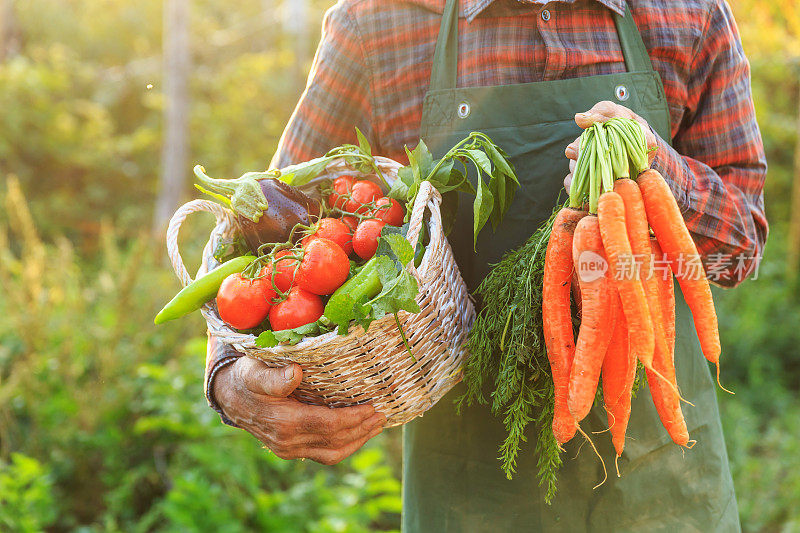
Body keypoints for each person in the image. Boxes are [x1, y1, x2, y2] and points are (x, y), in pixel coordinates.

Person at [206, 0, 767, 530]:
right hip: (470, 488)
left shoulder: (689, 12)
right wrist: (231, 380)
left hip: (663, 478)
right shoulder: (377, 22)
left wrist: (657, 180)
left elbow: (740, 249)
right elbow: (268, 235)